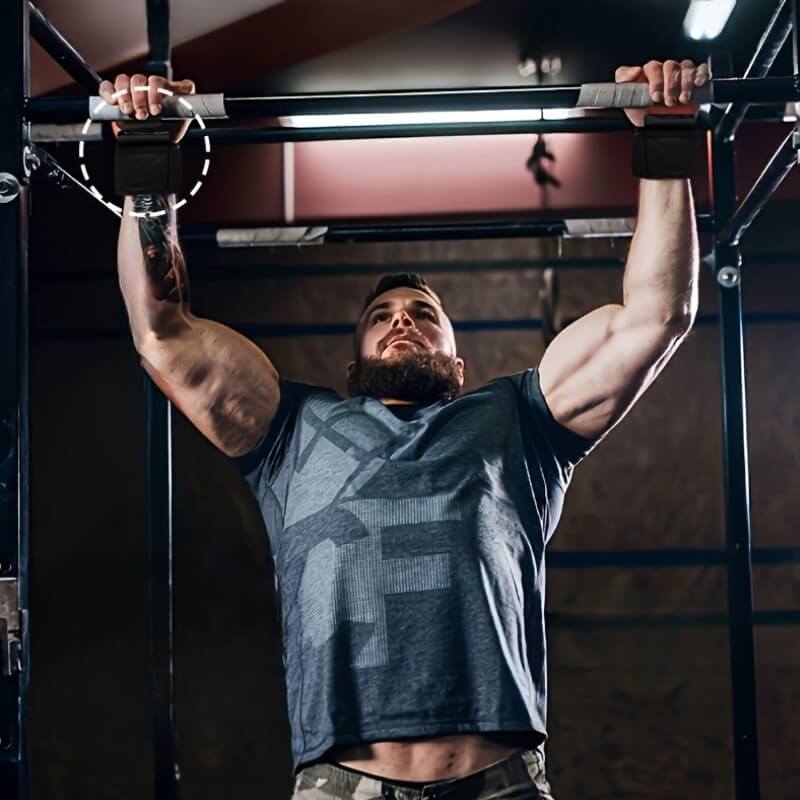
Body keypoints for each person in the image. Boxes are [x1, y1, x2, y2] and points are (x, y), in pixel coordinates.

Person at [103, 57, 707, 800]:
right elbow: (161, 332)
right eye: (381, 318)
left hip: (497, 782)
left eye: (425, 316)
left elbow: (656, 317)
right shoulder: (291, 430)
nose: (402, 324)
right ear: (353, 359)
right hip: (342, 785)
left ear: (459, 362)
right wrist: (145, 159)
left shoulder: (520, 421)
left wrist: (667, 141)